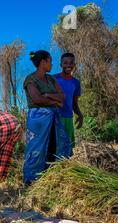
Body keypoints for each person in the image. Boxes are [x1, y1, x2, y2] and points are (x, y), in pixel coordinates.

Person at [23, 50, 72, 186]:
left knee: (57, 145)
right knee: (37, 148)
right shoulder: (30, 79)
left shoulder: (51, 79)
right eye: (50, 61)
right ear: (43, 62)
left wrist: (48, 95)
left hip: (54, 118)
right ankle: (31, 181)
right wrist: (54, 102)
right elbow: (37, 99)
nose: (52, 64)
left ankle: (52, 179)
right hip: (38, 118)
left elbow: (62, 96)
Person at [54, 53, 84, 150]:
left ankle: (65, 165)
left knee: (68, 147)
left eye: (71, 63)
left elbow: (74, 103)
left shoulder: (76, 82)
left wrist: (80, 114)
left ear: (74, 65)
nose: (68, 65)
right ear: (60, 65)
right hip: (55, 117)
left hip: (68, 118)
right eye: (65, 63)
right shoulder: (53, 79)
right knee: (56, 146)